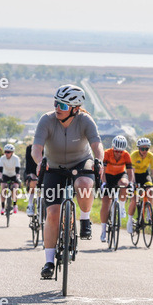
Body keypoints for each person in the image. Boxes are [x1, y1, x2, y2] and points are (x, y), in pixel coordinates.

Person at [33, 84, 103, 279]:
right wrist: (39, 162)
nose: (57, 108)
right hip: (53, 166)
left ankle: (85, 218)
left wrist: (99, 160)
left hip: (80, 162)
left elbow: (97, 144)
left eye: (63, 106)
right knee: (52, 213)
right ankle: (48, 261)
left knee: (84, 185)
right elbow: (36, 147)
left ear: (74, 109)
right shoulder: (46, 120)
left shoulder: (85, 120)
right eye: (56, 103)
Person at [99, 135, 133, 243]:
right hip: (108, 176)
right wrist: (104, 183)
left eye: (120, 151)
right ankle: (103, 231)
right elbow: (102, 171)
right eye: (116, 151)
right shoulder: (107, 153)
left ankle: (122, 207)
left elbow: (129, 171)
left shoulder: (126, 155)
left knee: (124, 184)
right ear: (113, 148)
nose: (118, 153)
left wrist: (131, 183)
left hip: (120, 175)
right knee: (106, 202)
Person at [127, 137, 153, 235]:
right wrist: (133, 183)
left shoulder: (151, 156)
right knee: (134, 199)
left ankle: (149, 213)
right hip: (134, 176)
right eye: (142, 149)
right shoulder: (133, 155)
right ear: (138, 148)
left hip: (144, 175)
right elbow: (131, 172)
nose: (144, 151)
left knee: (150, 191)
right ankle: (130, 220)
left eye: (146, 149)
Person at [0, 144, 22, 215]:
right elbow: (0, 170)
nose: (7, 154)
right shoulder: (2, 158)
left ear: (12, 152)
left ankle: (14, 205)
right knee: (3, 188)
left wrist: (17, 179)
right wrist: (0, 178)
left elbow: (17, 170)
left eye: (8, 152)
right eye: (5, 152)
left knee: (14, 188)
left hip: (14, 175)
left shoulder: (16, 158)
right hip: (5, 175)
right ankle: (2, 207)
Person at [23, 143, 39, 217]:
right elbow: (28, 164)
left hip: (43, 171)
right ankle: (30, 205)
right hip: (31, 171)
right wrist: (30, 175)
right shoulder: (29, 148)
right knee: (32, 182)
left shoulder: (48, 148)